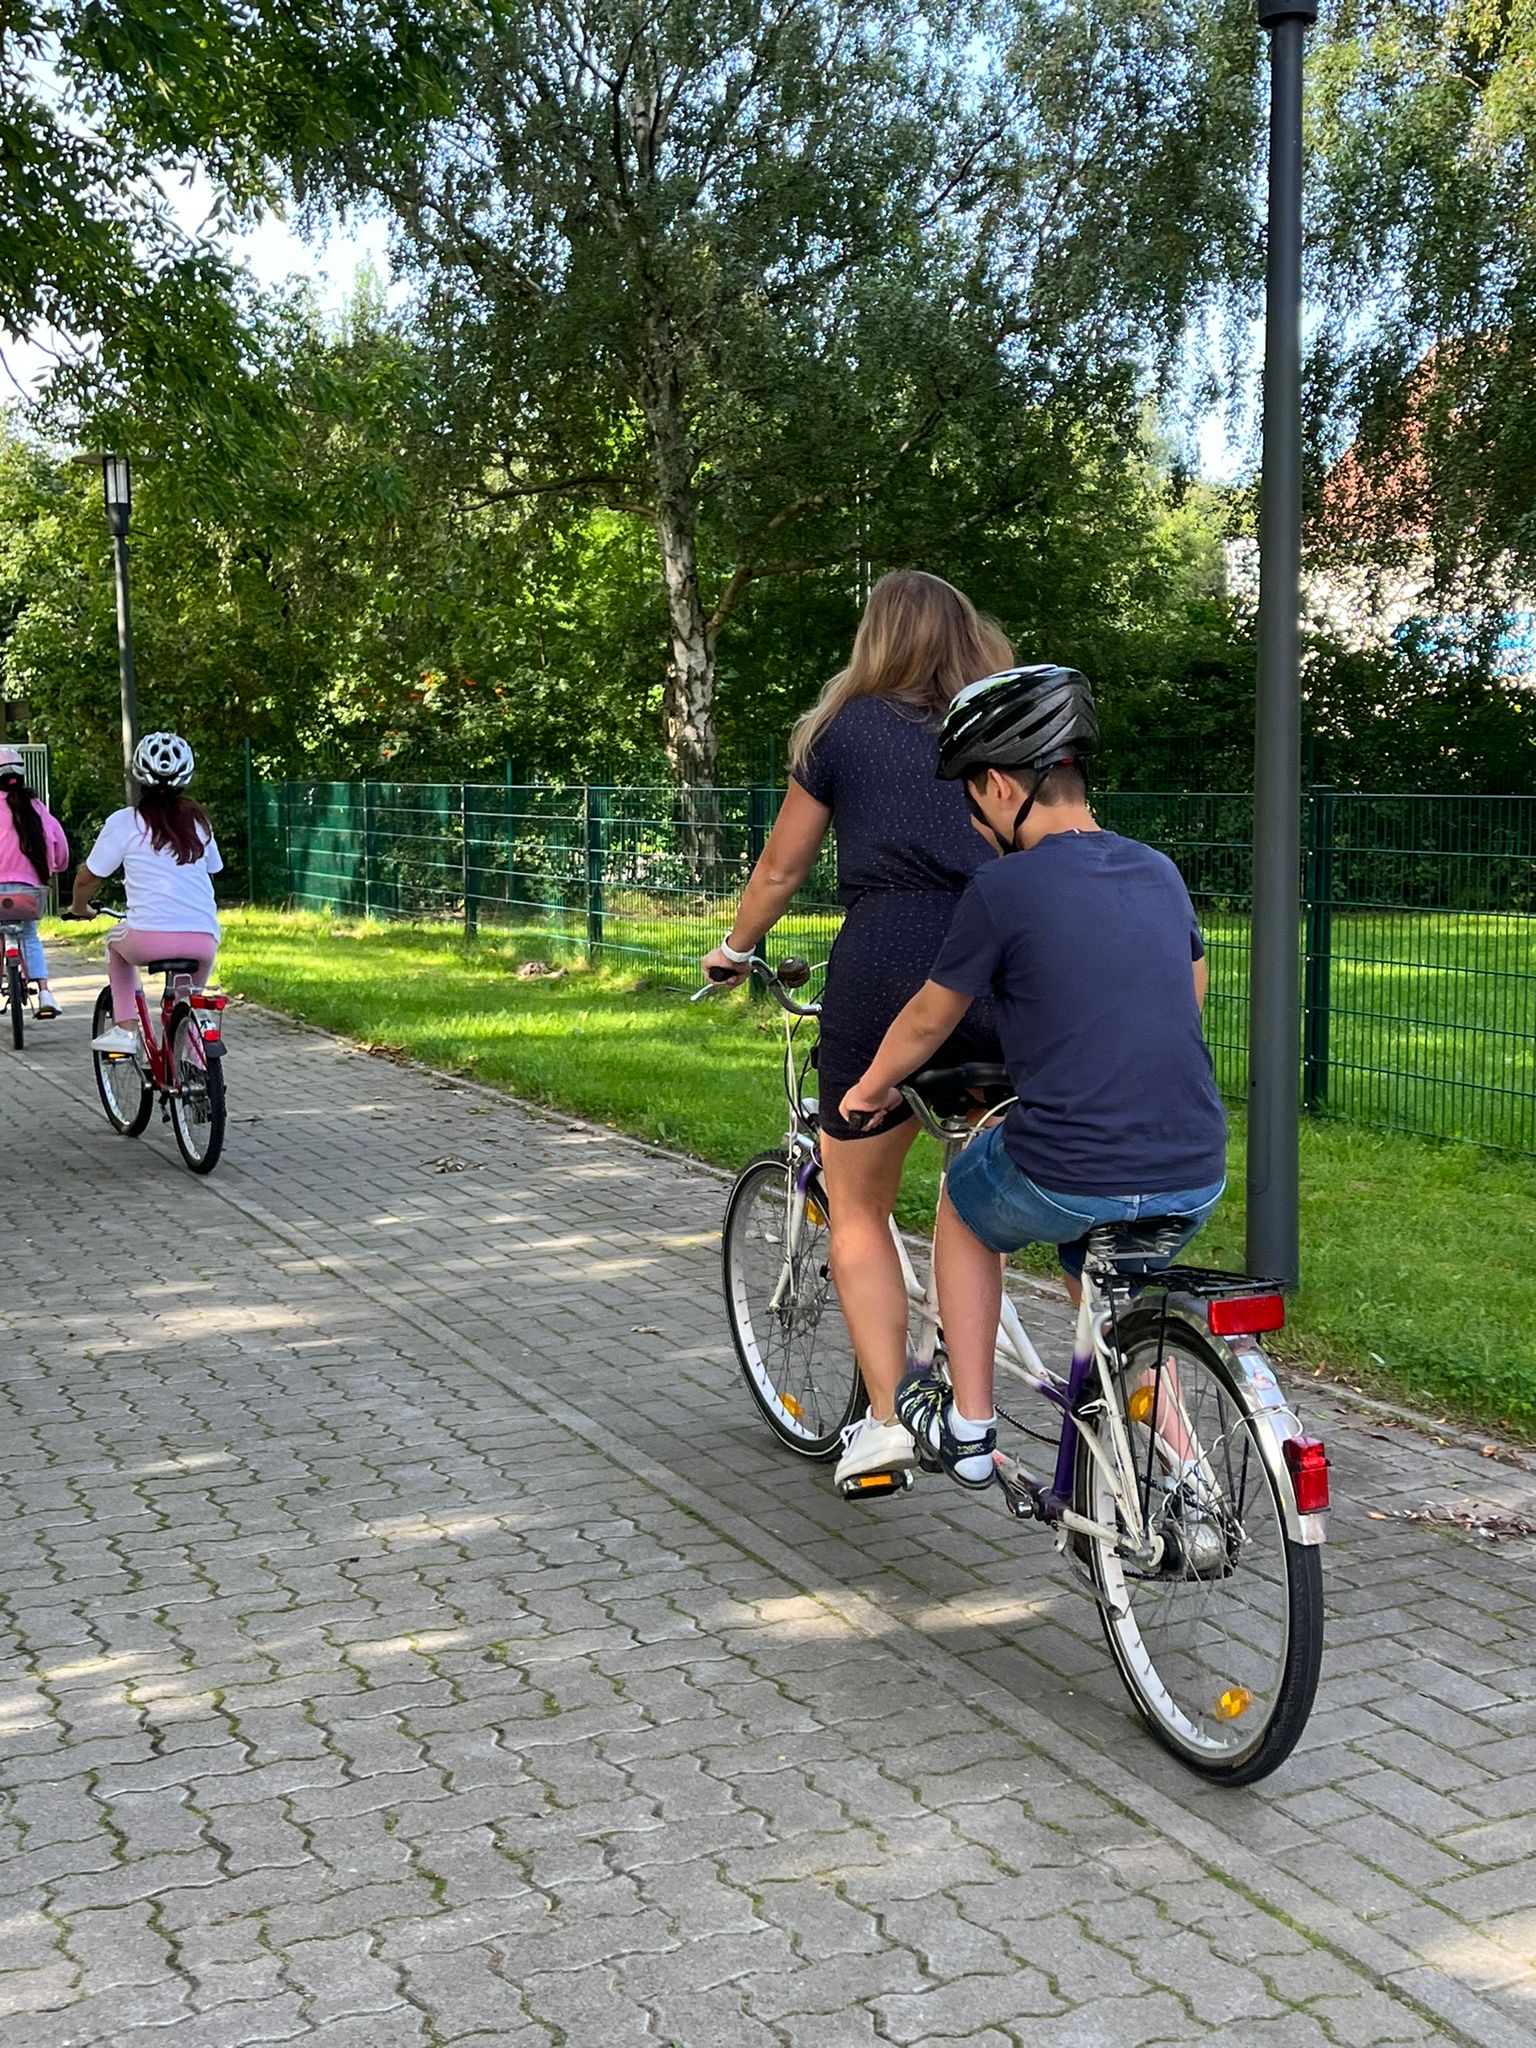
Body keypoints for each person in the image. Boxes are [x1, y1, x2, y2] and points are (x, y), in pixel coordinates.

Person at [839, 665, 1228, 1488]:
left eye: (969, 800)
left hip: (1068, 1166)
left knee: (968, 1205)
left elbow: (928, 1018)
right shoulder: (1156, 869)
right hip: (1192, 1168)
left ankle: (969, 1427)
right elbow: (1186, 994)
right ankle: (1189, 1482)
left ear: (994, 784)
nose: (973, 821)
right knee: (1118, 1287)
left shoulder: (1003, 886)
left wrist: (871, 1088)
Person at [701, 570, 1009, 1490]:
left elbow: (782, 866)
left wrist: (733, 948)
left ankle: (883, 1426)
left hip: (885, 973)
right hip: (1000, 963)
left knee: (861, 1204)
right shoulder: (999, 728)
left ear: (876, 639)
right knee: (997, 1183)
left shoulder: (847, 728)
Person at [71, 732, 224, 1053]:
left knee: (114, 944)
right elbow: (212, 870)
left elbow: (89, 877)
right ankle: (196, 1074)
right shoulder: (199, 823)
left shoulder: (125, 822)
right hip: (203, 939)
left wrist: (80, 907)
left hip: (148, 938)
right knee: (188, 997)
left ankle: (125, 1028)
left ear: (138, 776)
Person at [0, 746, 69, 1017]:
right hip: (29, 893)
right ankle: (45, 993)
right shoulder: (36, 808)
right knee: (29, 936)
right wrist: (58, 865)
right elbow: (59, 845)